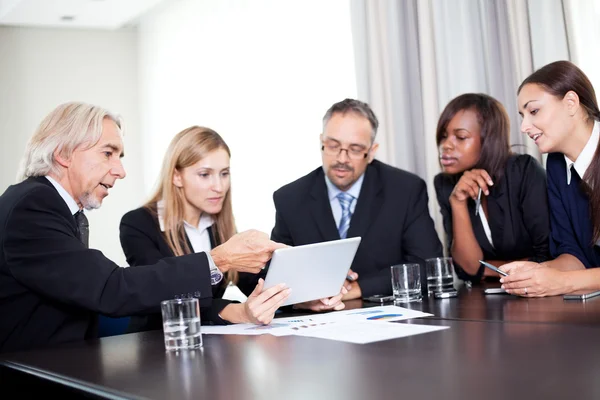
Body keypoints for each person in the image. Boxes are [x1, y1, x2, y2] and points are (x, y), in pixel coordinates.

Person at [0, 102, 287, 353]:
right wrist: (220, 260)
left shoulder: (52, 205)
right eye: (108, 153)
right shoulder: (34, 205)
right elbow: (111, 289)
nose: (120, 171)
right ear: (63, 153)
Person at [120, 126, 344, 330]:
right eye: (205, 174)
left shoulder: (219, 225)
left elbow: (253, 281)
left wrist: (302, 298)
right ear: (177, 176)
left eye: (224, 173)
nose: (219, 187)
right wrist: (239, 311)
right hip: (156, 343)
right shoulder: (138, 224)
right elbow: (163, 297)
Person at [271, 98, 443, 299]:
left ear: (371, 152)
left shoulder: (405, 190)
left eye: (354, 149)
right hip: (315, 319)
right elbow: (275, 274)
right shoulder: (290, 199)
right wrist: (307, 297)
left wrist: (357, 289)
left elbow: (427, 265)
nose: (342, 159)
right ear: (321, 143)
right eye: (333, 146)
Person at [501, 60, 600, 297]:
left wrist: (564, 282)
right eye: (522, 115)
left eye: (533, 111)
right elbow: (573, 254)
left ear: (570, 103)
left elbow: (570, 278)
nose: (524, 126)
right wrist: (536, 272)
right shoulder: (556, 165)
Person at [434, 93, 550, 284]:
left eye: (460, 137)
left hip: (539, 293)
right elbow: (467, 269)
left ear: (488, 139)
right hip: (485, 300)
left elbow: (548, 258)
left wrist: (487, 269)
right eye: (444, 136)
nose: (446, 145)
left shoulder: (523, 171)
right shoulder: (445, 184)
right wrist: (458, 203)